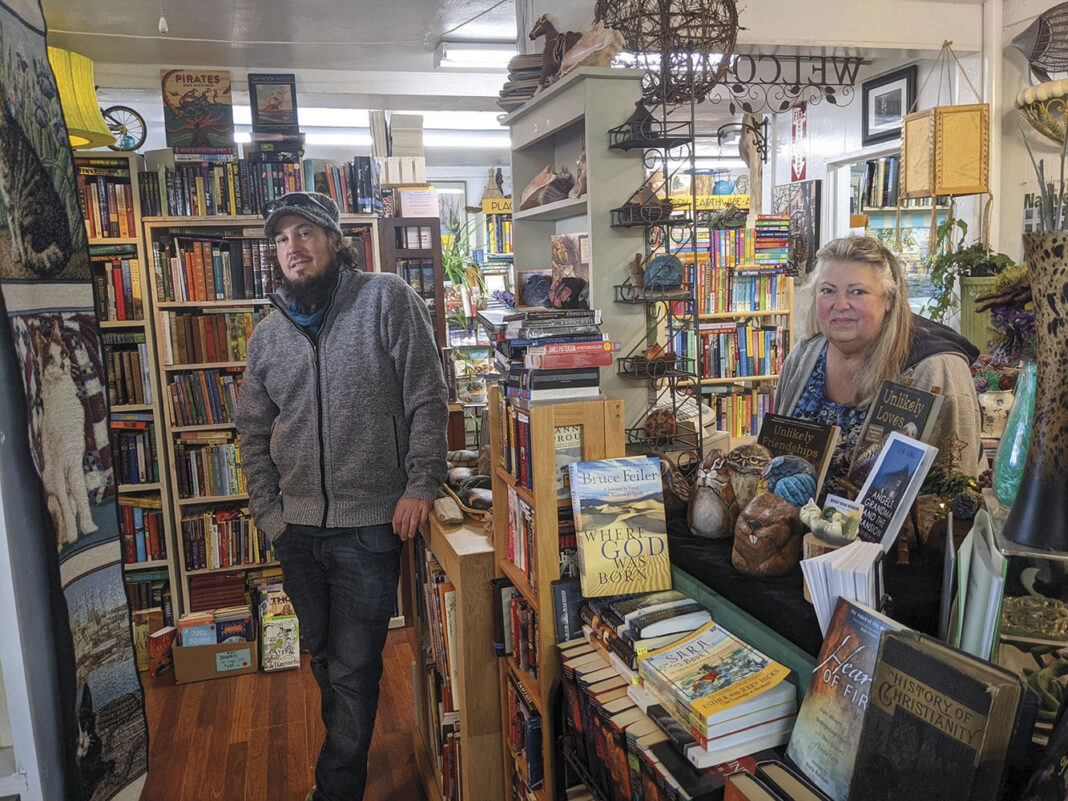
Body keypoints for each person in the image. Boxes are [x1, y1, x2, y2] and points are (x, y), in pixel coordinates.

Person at [235, 191, 448, 801]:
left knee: (352, 672)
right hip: (295, 532)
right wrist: (270, 514)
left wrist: (419, 486)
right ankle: (346, 754)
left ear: (334, 241)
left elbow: (427, 398)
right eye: (281, 240)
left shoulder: (386, 299)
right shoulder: (269, 335)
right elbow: (252, 431)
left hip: (368, 528)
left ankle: (335, 790)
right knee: (326, 661)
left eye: (304, 233)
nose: (292, 248)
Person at [776, 236, 982, 501]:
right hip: (797, 537)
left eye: (857, 292)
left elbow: (957, 493)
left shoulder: (934, 368)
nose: (840, 305)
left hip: (896, 542)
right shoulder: (803, 357)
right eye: (828, 290)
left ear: (888, 299)